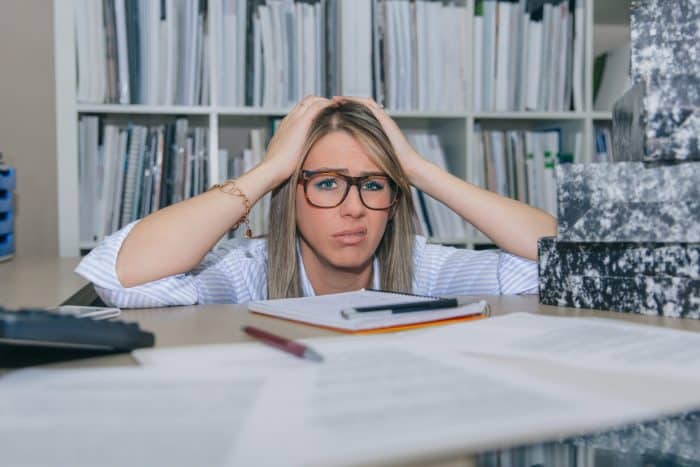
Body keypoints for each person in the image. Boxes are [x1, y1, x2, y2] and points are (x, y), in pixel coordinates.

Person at [76, 96, 556, 308]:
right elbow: (124, 279)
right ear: (292, 195)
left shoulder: (420, 267)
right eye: (327, 183)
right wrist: (268, 172)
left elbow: (555, 258)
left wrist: (416, 169)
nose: (354, 209)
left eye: (373, 184)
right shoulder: (249, 271)